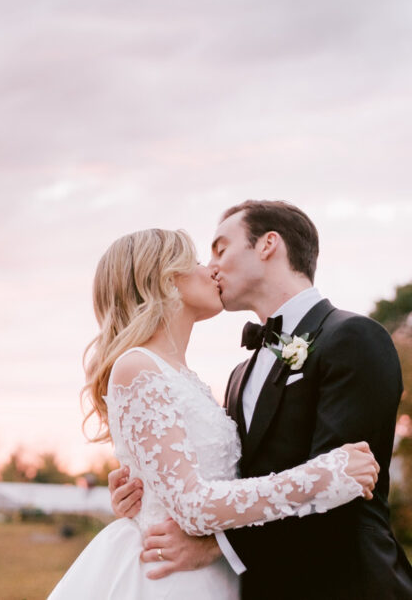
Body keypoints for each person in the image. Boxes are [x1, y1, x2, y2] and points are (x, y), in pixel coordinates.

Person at [108, 201, 412, 599]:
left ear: (268, 245)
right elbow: (227, 480)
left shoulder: (354, 337)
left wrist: (215, 545)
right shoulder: (239, 376)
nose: (211, 267)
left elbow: (347, 488)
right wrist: (148, 493)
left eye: (220, 250)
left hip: (344, 585)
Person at [48, 228, 380, 600]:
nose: (211, 271)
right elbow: (192, 505)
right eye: (197, 262)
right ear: (166, 279)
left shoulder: (185, 377)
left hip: (218, 575)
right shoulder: (137, 367)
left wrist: (151, 485)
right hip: (170, 579)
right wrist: (325, 476)